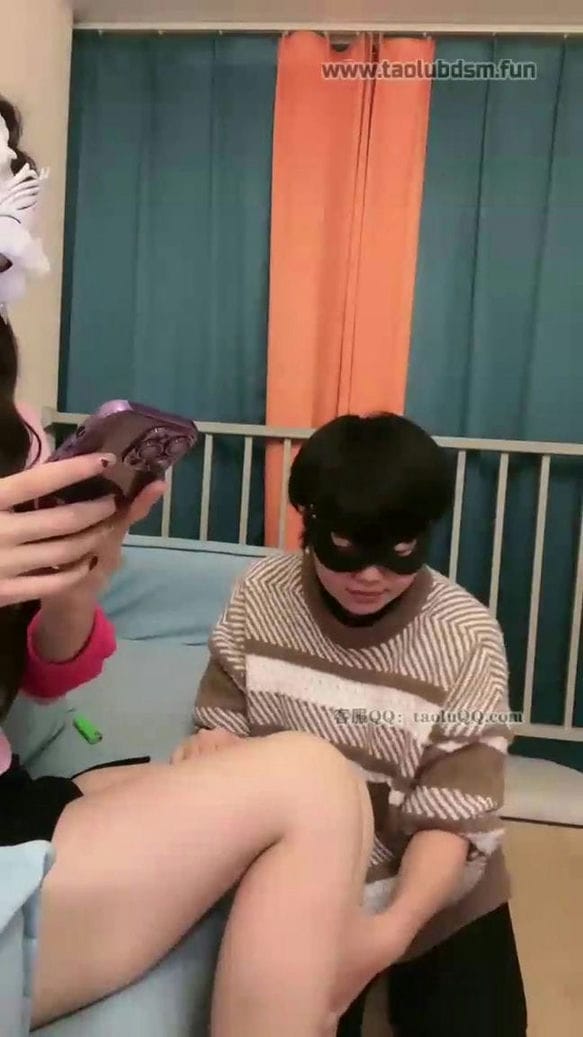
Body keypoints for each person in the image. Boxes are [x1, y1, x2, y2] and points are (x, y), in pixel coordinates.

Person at [0, 95, 374, 1036]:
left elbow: (48, 671)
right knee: (309, 782)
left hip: (10, 797)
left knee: (303, 780)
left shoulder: (15, 430)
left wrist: (77, 583)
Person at [178, 411, 529, 1036]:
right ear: (310, 522)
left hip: (434, 875)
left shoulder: (467, 635)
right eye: (346, 547)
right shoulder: (260, 594)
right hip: (302, 879)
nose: (369, 576)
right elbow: (222, 716)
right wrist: (213, 747)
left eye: (399, 552)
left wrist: (387, 934)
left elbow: (453, 816)